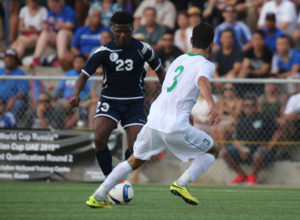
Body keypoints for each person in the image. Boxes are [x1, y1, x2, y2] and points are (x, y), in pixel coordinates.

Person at [84, 22, 219, 208]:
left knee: (134, 160)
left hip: (155, 120)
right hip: (175, 126)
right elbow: (202, 80)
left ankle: (97, 196)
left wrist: (187, 113)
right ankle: (181, 184)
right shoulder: (206, 65)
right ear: (211, 44)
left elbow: (169, 89)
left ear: (191, 40)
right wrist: (211, 104)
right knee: (213, 150)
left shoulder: (178, 60)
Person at [70, 11, 165, 181]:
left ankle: (119, 176)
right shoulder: (103, 51)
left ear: (132, 29)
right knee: (99, 139)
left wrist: (166, 95)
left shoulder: (143, 49)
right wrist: (76, 94)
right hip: (110, 101)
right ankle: (110, 179)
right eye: (118, 31)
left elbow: (160, 70)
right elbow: (83, 75)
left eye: (126, 31)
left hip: (134, 102)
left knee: (138, 148)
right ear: (113, 29)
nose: (122, 35)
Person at [221, 94, 277, 185]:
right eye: (246, 105)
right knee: (224, 152)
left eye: (252, 105)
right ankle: (242, 175)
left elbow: (278, 132)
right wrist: (241, 149)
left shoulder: (265, 118)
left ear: (256, 107)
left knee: (258, 155)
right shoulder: (241, 121)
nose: (249, 108)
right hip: (246, 150)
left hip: (262, 150)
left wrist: (269, 146)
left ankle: (254, 175)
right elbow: (236, 140)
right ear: (243, 107)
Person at [30, 0, 77, 67]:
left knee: (62, 32)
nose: (52, 7)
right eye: (50, 5)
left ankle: (61, 59)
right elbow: (49, 27)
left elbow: (70, 25)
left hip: (70, 38)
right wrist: (46, 27)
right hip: (57, 38)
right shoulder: (50, 13)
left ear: (59, 3)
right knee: (45, 33)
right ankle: (36, 59)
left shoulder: (68, 10)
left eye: (53, 5)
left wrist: (56, 23)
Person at [238, 30, 273, 97]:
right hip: (251, 76)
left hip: (264, 77)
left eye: (259, 39)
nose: (257, 42)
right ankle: (241, 96)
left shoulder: (268, 53)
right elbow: (245, 66)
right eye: (255, 39)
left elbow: (264, 71)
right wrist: (246, 70)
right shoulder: (249, 52)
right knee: (242, 72)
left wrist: (250, 71)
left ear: (264, 40)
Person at [0, 49, 29, 121]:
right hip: (1, 100)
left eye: (12, 58)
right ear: (4, 59)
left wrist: (13, 99)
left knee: (18, 103)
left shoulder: (20, 74)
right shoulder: (0, 70)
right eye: (7, 57)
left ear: (16, 60)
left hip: (13, 100)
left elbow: (23, 93)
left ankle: (10, 125)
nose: (9, 60)